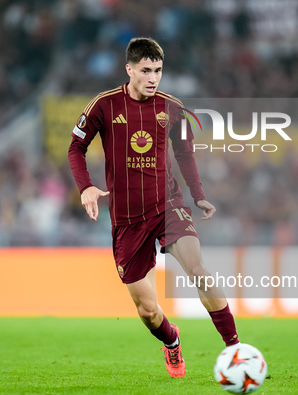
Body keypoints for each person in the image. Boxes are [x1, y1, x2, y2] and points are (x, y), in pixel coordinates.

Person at [67, 37, 239, 378]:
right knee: (148, 311)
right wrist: (85, 186)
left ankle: (236, 350)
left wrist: (198, 193)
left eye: (158, 71)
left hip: (168, 206)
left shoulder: (173, 108)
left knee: (198, 270)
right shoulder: (104, 105)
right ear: (129, 69)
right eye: (146, 70)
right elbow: (76, 147)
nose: (153, 78)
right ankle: (172, 343)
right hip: (128, 220)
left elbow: (185, 154)